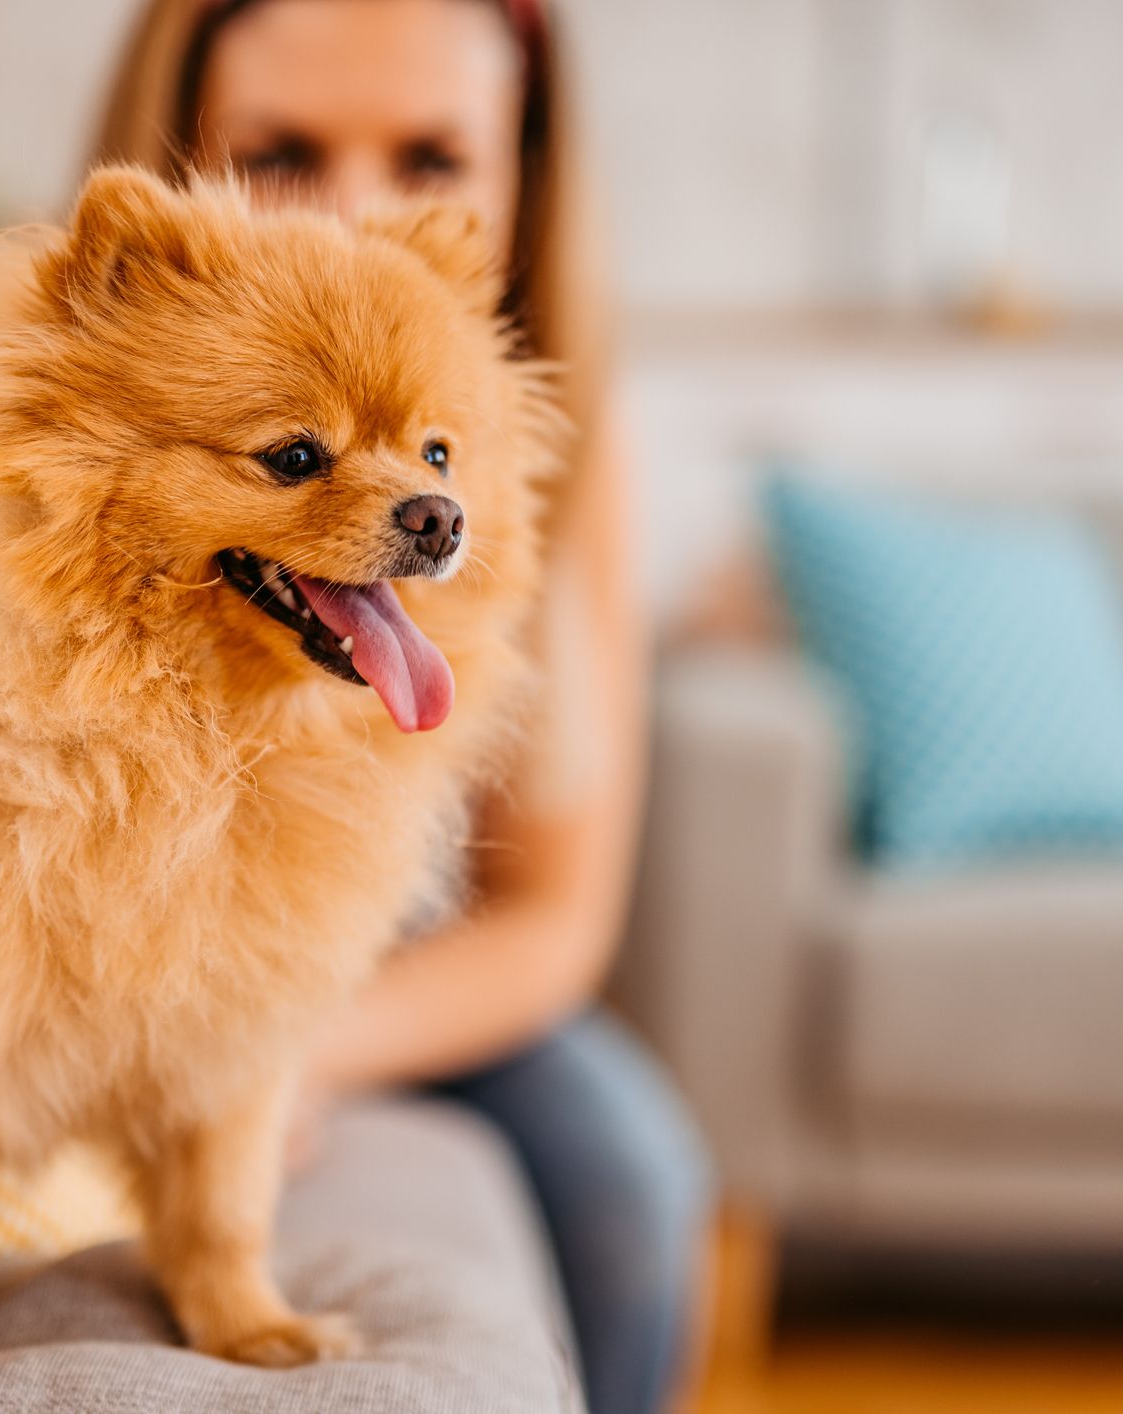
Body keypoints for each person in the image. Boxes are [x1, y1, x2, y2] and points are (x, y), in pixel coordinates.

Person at [87, 2, 714, 1410]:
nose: (361, 214)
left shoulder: (568, 453)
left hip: (396, 963)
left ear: (521, 182)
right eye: (284, 152)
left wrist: (287, 1046)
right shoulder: (65, 377)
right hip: (102, 941)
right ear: (180, 143)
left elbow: (553, 918)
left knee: (633, 1173)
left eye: (432, 159)